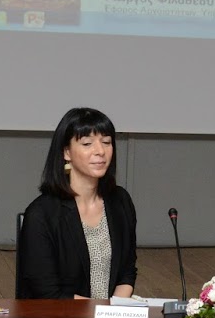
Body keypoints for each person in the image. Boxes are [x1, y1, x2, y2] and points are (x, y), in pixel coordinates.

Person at [18, 107, 138, 300]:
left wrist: (116, 309)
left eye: (106, 142)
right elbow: (47, 291)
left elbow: (127, 270)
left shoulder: (120, 201)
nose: (100, 151)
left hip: (110, 315)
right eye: (87, 143)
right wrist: (99, 312)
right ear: (66, 152)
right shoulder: (41, 214)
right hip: (59, 316)